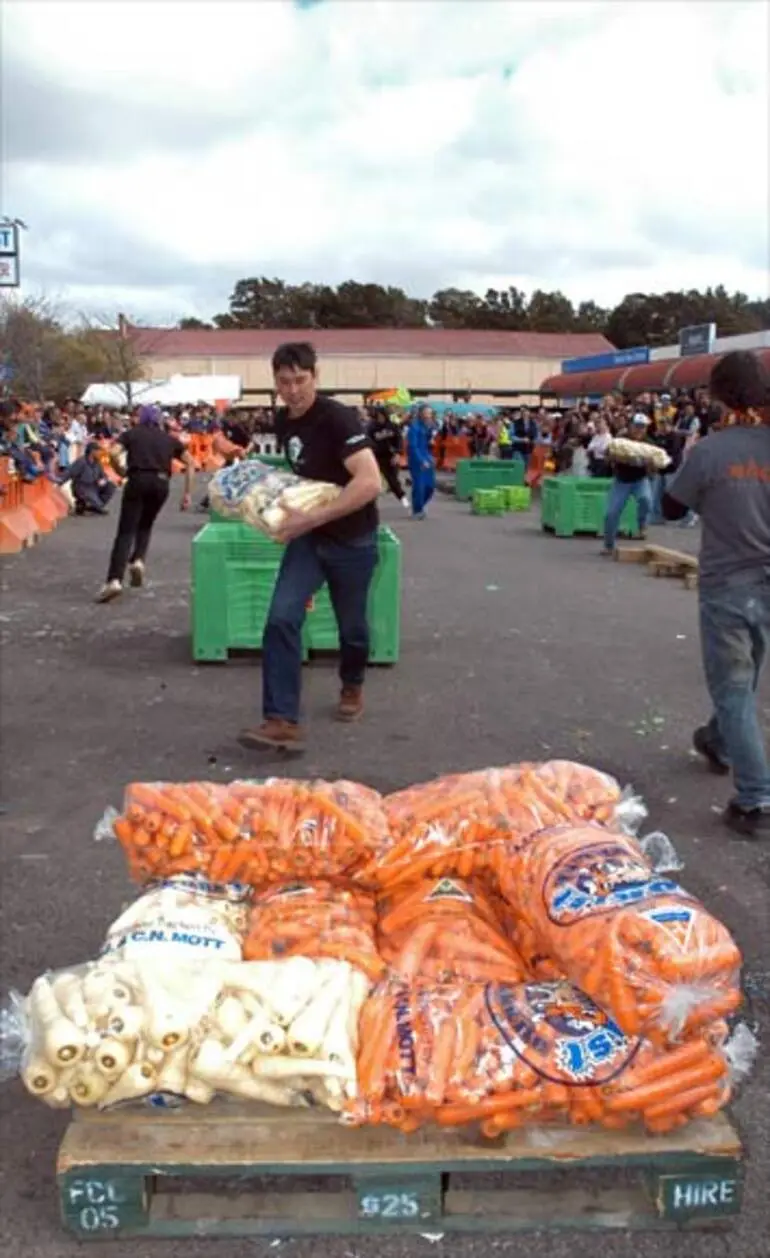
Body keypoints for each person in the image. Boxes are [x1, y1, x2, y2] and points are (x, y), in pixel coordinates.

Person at [238, 342, 382, 753]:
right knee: (281, 618)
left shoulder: (338, 418)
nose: (293, 389)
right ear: (275, 383)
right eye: (285, 382)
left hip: (353, 540)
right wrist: (263, 486)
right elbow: (308, 474)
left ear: (315, 377)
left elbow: (369, 483)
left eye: (301, 380)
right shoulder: (284, 420)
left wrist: (311, 518)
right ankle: (281, 720)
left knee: (352, 629)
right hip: (308, 540)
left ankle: (352, 684)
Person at [663, 350, 770, 838]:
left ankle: (756, 797)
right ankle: (719, 742)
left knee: (732, 687)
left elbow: (670, 508)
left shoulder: (710, 451)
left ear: (720, 395)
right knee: (743, 683)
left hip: (729, 584)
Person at [96, 405, 194, 604]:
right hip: (161, 483)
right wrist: (187, 494)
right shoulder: (169, 439)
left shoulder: (132, 434)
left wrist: (121, 470)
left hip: (137, 479)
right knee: (146, 523)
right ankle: (138, 560)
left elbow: (113, 453)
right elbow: (190, 462)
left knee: (125, 531)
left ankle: (114, 580)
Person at [601, 414, 655, 555]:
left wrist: (650, 465)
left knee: (646, 500)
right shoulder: (621, 440)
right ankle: (609, 545)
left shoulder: (649, 443)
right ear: (630, 426)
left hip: (640, 480)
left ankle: (642, 525)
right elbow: (606, 455)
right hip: (622, 480)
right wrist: (614, 456)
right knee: (611, 513)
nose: (639, 430)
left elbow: (655, 467)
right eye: (637, 426)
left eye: (642, 427)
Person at [58, 442, 115, 514]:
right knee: (95, 501)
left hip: (94, 486)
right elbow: (70, 473)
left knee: (111, 486)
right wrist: (59, 482)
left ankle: (93, 506)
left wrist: (103, 480)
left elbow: (103, 475)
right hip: (82, 487)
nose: (99, 452)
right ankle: (84, 504)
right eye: (97, 451)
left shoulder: (97, 463)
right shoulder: (81, 461)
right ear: (92, 451)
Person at [367, 406, 408, 506]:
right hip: (376, 456)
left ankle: (402, 497)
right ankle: (369, 502)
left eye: (382, 416)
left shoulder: (393, 426)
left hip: (390, 456)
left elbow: (399, 440)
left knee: (392, 479)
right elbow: (368, 441)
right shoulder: (371, 427)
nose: (380, 418)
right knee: (372, 479)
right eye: (378, 416)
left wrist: (398, 453)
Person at [406, 406, 436, 519]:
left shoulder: (427, 426)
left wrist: (430, 457)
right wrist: (421, 460)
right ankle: (417, 510)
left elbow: (427, 443)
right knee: (419, 486)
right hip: (416, 460)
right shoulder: (414, 427)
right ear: (421, 414)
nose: (429, 416)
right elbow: (413, 447)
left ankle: (421, 505)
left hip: (426, 457)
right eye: (426, 413)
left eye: (430, 413)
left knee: (430, 486)